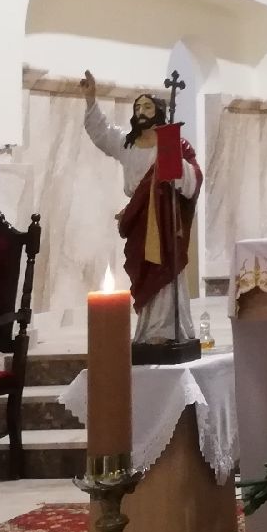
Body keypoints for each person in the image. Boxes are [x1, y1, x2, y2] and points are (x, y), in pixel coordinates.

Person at [81, 70, 203, 345]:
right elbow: (101, 133)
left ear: (159, 111)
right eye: (138, 108)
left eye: (147, 107)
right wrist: (91, 100)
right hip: (140, 218)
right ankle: (149, 331)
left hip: (165, 218)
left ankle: (169, 330)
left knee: (166, 272)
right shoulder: (128, 143)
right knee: (144, 272)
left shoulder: (174, 144)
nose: (142, 111)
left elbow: (193, 178)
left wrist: (174, 164)